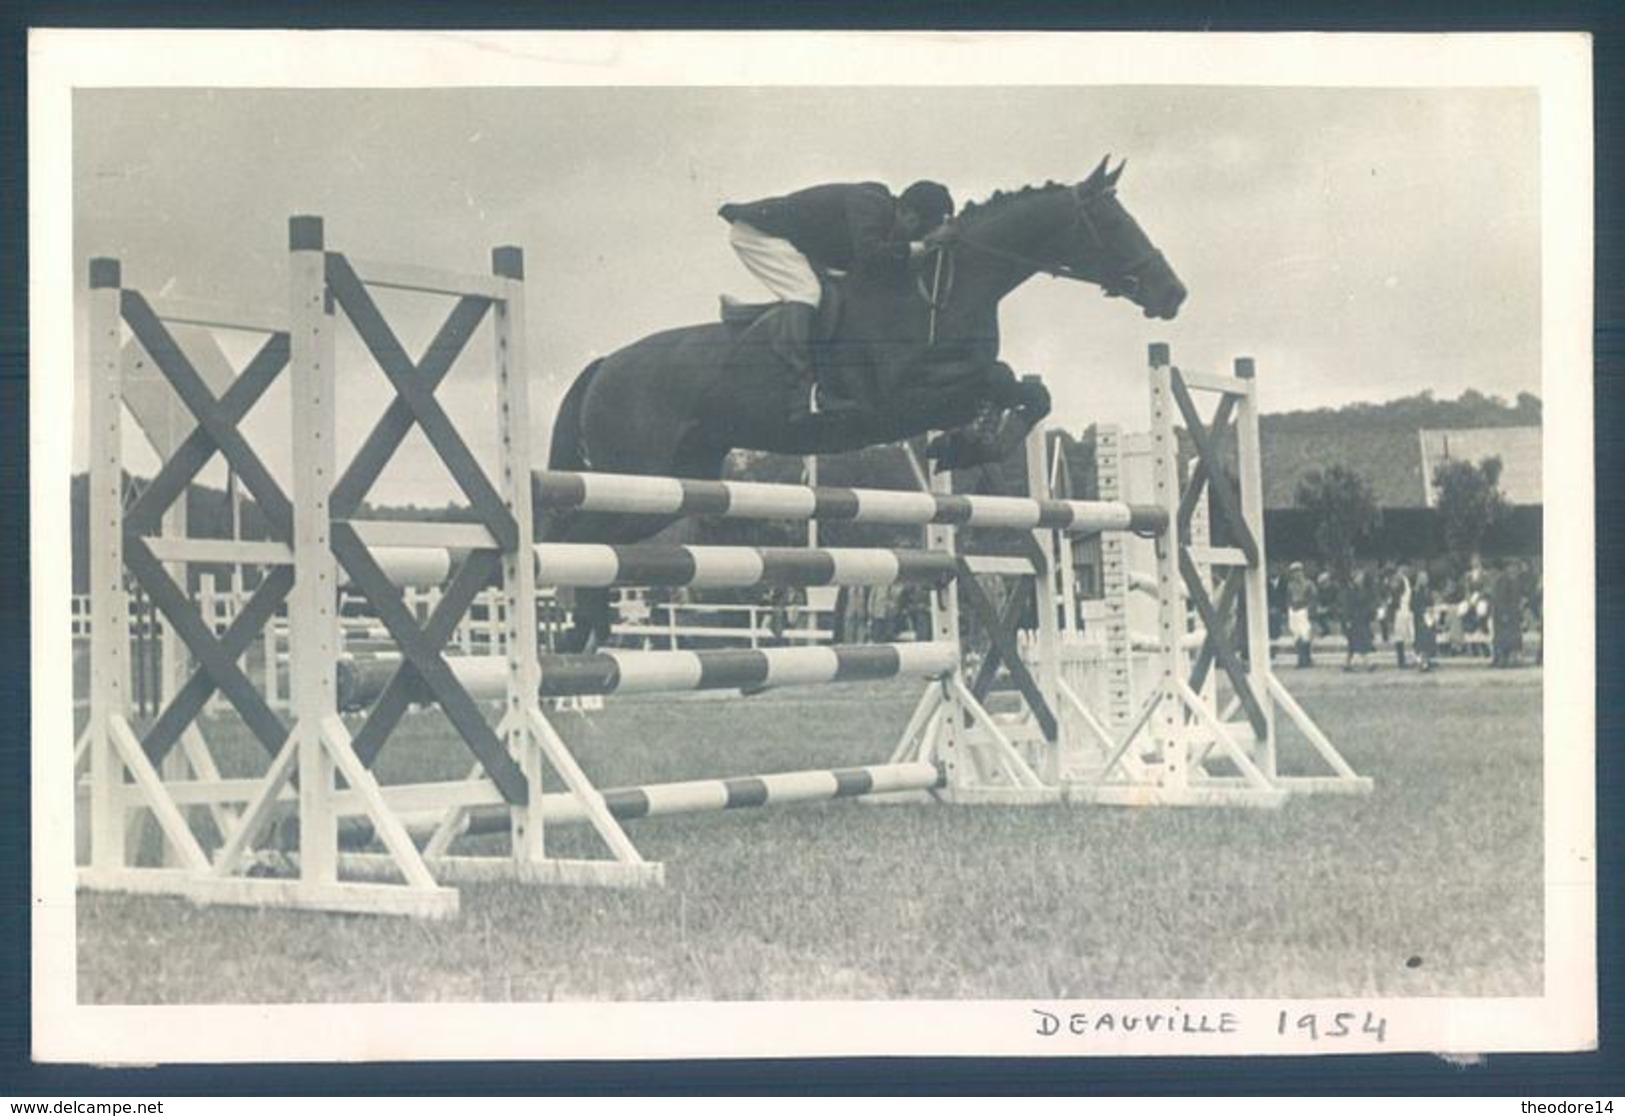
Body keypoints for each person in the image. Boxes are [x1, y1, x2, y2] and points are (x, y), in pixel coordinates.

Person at [718, 180, 956, 423]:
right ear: (908, 214)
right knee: (806, 293)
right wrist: (926, 245)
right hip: (758, 234)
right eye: (916, 231)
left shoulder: (884, 217)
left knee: (831, 294)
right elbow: (870, 254)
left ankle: (744, 315)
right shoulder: (871, 201)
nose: (912, 238)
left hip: (797, 242)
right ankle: (802, 393)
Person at [1341, 567, 1377, 672]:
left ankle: (1347, 663)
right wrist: (1347, 620)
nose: (1360, 578)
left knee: (1354, 644)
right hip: (1355, 619)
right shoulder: (1351, 590)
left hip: (1362, 618)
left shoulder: (1365, 589)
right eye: (1358, 577)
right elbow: (1347, 606)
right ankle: (1367, 663)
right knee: (1359, 642)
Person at [1285, 562, 1318, 668]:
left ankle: (1307, 659)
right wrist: (1290, 609)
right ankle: (1300, 659)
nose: (1296, 574)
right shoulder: (1290, 585)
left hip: (1304, 610)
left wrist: (1309, 610)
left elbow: (1313, 598)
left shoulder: (1309, 584)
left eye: (1298, 571)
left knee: (1306, 636)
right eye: (1294, 572)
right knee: (1297, 636)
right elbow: (1288, 599)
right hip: (1294, 611)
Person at [1410, 567, 1438, 672]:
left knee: (1428, 640)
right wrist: (1422, 610)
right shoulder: (1416, 591)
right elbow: (1413, 605)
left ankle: (1427, 661)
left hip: (1428, 617)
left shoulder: (1428, 590)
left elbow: (1430, 602)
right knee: (1422, 641)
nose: (1426, 580)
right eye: (1424, 578)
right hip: (1420, 618)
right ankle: (1422, 663)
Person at [1389, 564, 1415, 669]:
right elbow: (1394, 594)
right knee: (1400, 636)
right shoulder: (1398, 579)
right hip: (1401, 610)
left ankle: (1407, 659)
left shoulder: (1405, 580)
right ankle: (1401, 661)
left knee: (1407, 635)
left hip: (1406, 609)